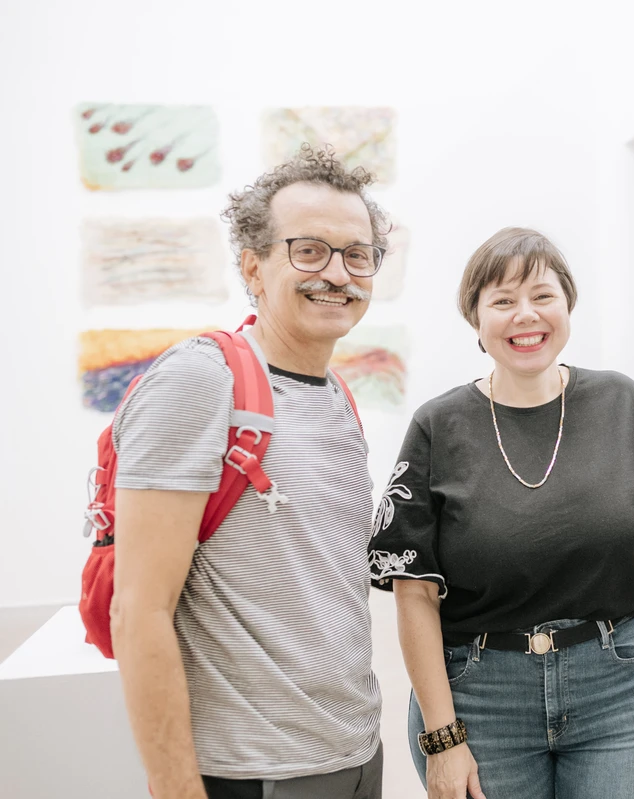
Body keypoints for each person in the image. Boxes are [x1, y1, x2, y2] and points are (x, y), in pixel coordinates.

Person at [369, 227, 634, 799]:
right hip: (481, 696)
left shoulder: (620, 401)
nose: (526, 316)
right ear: (476, 318)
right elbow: (414, 592)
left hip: (627, 687)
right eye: (502, 301)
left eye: (542, 296)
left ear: (567, 304)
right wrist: (443, 738)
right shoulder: (437, 426)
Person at [110, 146, 389, 799]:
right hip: (254, 770)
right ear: (253, 266)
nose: (338, 273)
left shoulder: (337, 395)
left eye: (357, 254)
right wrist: (177, 789)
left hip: (352, 752)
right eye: (309, 250)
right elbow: (139, 610)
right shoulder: (200, 381)